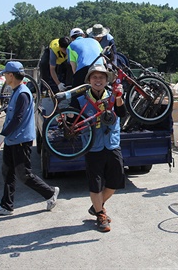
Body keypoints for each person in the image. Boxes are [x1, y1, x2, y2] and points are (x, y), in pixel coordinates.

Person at [0, 61, 59, 216]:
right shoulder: (16, 90)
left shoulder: (23, 93)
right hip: (12, 140)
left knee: (24, 174)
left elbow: (18, 118)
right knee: (7, 171)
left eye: (5, 74)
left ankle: (50, 192)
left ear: (11, 75)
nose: (4, 76)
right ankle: (6, 205)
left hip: (20, 141)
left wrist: (1, 135)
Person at [71, 64, 126, 232]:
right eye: (94, 77)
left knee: (116, 181)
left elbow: (122, 113)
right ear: (89, 80)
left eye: (101, 77)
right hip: (92, 145)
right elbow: (73, 120)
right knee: (95, 184)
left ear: (106, 80)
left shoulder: (113, 94)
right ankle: (101, 215)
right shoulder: (80, 99)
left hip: (112, 142)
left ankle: (97, 206)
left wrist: (118, 97)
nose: (98, 80)